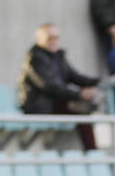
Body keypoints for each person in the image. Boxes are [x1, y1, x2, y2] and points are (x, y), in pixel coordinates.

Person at [18, 22, 101, 150]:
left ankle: (92, 151)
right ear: (40, 39)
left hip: (56, 102)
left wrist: (98, 82)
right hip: (40, 105)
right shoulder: (35, 58)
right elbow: (49, 86)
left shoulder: (58, 56)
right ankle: (92, 151)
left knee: (81, 108)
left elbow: (74, 76)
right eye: (49, 37)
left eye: (56, 37)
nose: (53, 41)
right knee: (79, 107)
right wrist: (78, 94)